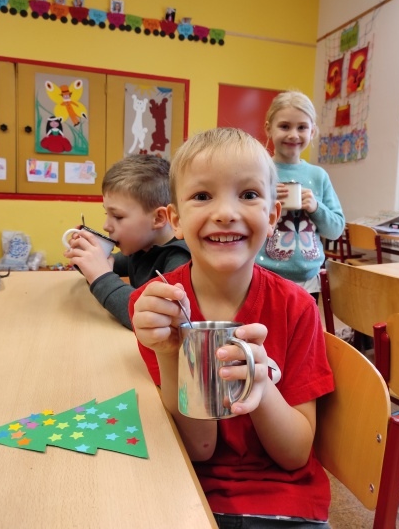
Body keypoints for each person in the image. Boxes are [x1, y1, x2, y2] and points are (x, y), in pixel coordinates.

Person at [130, 128, 334, 528]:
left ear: (272, 217)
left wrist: (260, 383)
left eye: (249, 194)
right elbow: (199, 448)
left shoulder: (297, 308)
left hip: (283, 502)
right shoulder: (157, 308)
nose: (225, 212)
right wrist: (170, 354)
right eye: (202, 196)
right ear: (175, 220)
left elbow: (295, 454)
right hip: (186, 488)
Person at [63, 154, 190, 330]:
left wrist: (100, 275)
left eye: (117, 216)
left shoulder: (180, 260)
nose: (106, 226)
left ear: (159, 218)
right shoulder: (142, 247)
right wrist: (87, 258)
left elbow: (153, 320)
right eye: (107, 214)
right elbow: (109, 266)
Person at [256, 91, 345, 303]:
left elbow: (335, 230)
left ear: (312, 131)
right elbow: (243, 220)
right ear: (268, 128)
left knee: (303, 324)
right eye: (285, 126)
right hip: (264, 275)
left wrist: (316, 207)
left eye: (302, 127)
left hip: (309, 279)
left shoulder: (318, 176)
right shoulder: (258, 171)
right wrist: (268, 204)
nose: (293, 135)